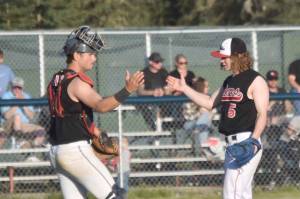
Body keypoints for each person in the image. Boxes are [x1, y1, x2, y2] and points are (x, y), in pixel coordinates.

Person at [47, 26, 143, 199]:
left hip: (56, 150)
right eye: (90, 53)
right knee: (115, 196)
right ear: (77, 55)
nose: (94, 57)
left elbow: (75, 114)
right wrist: (127, 90)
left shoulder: (57, 79)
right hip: (75, 151)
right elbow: (101, 106)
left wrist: (97, 132)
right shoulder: (77, 83)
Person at [167, 37, 269, 199]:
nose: (222, 61)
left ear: (238, 56)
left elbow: (262, 114)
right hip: (231, 144)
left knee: (231, 194)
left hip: (247, 141)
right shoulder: (229, 81)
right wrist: (184, 88)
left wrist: (253, 141)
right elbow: (208, 103)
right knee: (241, 194)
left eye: (225, 57)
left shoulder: (255, 80)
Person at [1, 76, 46, 148]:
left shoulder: (26, 96)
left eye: (19, 88)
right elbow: (6, 116)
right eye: (14, 87)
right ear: (11, 87)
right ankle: (19, 139)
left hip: (24, 125)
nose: (17, 90)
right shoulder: (6, 96)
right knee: (17, 117)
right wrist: (18, 102)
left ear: (22, 88)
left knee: (41, 130)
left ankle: (33, 145)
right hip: (9, 125)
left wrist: (23, 103)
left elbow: (31, 116)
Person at [136, 52, 169, 131]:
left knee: (168, 104)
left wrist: (163, 91)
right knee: (146, 108)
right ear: (151, 62)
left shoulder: (163, 72)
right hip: (147, 101)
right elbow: (140, 91)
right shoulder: (143, 73)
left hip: (162, 100)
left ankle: (162, 127)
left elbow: (168, 89)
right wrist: (153, 92)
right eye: (157, 62)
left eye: (161, 61)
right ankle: (154, 128)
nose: (160, 64)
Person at [182, 76, 214, 156]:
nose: (208, 88)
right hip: (190, 125)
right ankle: (205, 153)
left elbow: (213, 112)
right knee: (204, 127)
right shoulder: (189, 98)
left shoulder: (209, 99)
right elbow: (188, 117)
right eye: (206, 86)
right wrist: (200, 113)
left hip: (202, 125)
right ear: (200, 87)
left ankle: (197, 132)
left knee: (204, 121)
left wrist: (206, 112)